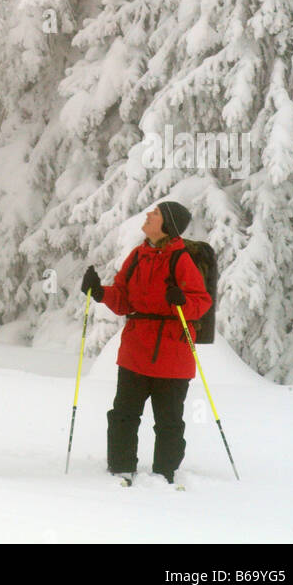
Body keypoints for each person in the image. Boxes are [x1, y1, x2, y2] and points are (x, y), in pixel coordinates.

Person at [81, 201, 212, 484]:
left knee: (168, 423)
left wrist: (183, 301)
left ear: (167, 224)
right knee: (123, 415)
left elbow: (201, 303)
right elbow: (123, 299)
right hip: (135, 353)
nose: (148, 215)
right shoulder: (137, 256)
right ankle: (120, 468)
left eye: (155, 213)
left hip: (172, 356)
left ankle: (165, 474)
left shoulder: (181, 260)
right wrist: (99, 292)